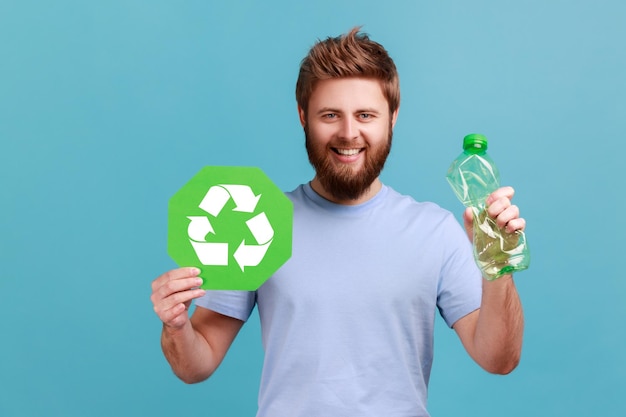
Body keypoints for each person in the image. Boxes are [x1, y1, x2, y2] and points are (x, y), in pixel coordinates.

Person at [151, 27, 525, 417]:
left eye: (366, 115)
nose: (349, 133)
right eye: (330, 115)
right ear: (303, 117)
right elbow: (196, 364)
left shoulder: (434, 230)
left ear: (392, 117)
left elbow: (499, 359)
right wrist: (176, 326)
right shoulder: (255, 219)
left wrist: (497, 265)